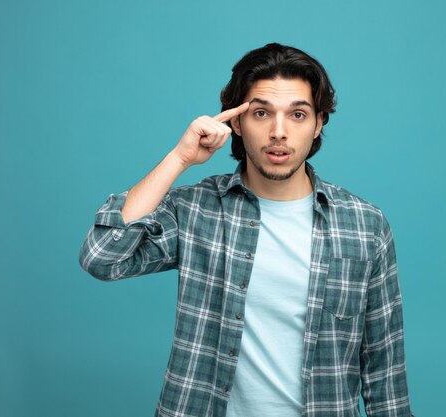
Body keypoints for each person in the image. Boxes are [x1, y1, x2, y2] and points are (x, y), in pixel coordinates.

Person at [79, 42, 413, 417]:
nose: (279, 132)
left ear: (319, 122)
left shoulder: (364, 226)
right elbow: (102, 256)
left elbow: (385, 369)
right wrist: (180, 158)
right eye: (260, 113)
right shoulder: (197, 211)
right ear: (235, 122)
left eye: (298, 115)